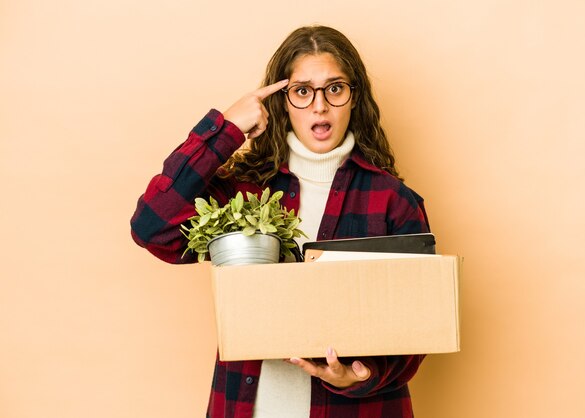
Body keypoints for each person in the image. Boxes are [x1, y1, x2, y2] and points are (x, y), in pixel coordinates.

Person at [131, 25, 430, 418]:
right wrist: (225, 131)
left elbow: (420, 321)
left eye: (334, 88)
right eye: (302, 91)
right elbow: (153, 225)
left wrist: (362, 374)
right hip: (251, 405)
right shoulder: (244, 192)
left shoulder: (393, 201)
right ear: (282, 101)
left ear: (353, 98)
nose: (319, 106)